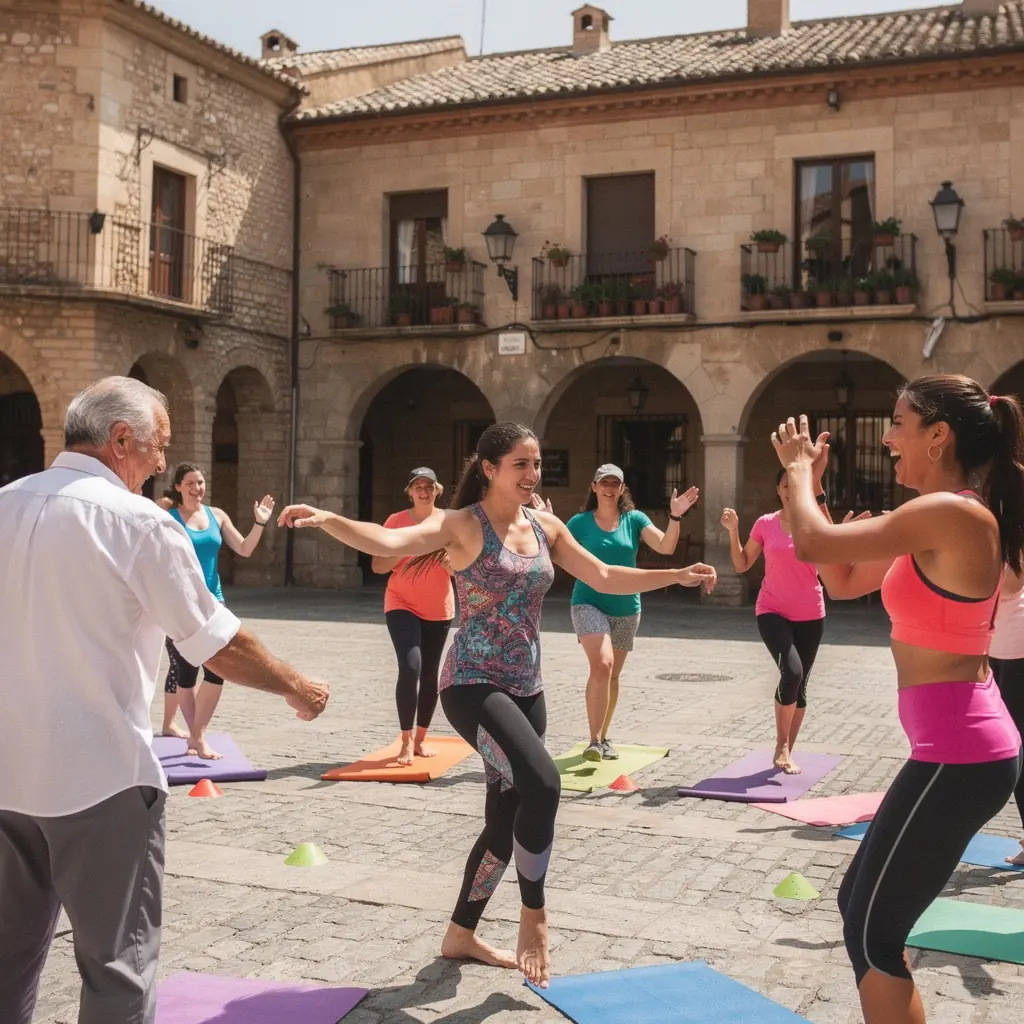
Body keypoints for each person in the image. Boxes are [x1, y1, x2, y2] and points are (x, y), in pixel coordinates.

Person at [277, 421, 717, 990]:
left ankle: (461, 932)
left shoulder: (546, 524)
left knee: (503, 824)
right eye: (521, 465)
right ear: (489, 469)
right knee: (544, 784)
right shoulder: (463, 525)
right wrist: (327, 519)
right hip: (470, 683)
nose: (533, 475)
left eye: (536, 465)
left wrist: (675, 574)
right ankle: (534, 915)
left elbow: (604, 574)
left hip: (526, 688)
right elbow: (387, 544)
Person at [0, 376, 329, 1024]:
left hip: (6, 777)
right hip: (100, 782)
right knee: (116, 976)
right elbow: (217, 644)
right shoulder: (138, 523)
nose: (160, 464)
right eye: (159, 448)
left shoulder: (5, 503)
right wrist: (295, 683)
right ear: (122, 439)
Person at [771, 376, 1023, 1024]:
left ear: (938, 436)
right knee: (858, 903)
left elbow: (813, 544)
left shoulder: (955, 513)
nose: (886, 438)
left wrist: (799, 472)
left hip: (962, 756)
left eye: (898, 423)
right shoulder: (936, 519)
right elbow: (844, 577)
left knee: (870, 932)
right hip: (954, 752)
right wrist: (814, 492)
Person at [567, 464, 699, 761]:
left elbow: (666, 547)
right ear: (594, 486)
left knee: (612, 674)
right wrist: (544, 520)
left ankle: (602, 736)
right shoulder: (579, 523)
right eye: (604, 483)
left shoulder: (634, 519)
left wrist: (675, 516)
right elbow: (552, 547)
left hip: (627, 606)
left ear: (622, 488)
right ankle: (592, 740)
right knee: (602, 664)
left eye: (615, 483)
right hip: (588, 601)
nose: (610, 488)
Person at [156, 463, 275, 758]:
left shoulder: (216, 515)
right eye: (191, 483)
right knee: (186, 674)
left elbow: (245, 549)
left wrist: (259, 523)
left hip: (214, 604)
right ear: (179, 487)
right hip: (180, 605)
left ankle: (197, 735)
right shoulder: (167, 517)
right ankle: (196, 737)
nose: (198, 488)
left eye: (201, 482)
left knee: (218, 671)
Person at [721, 462, 829, 775]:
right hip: (772, 610)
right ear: (778, 490)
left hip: (811, 614)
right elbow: (742, 563)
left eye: (795, 486)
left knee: (801, 684)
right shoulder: (766, 524)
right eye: (784, 486)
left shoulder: (816, 523)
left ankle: (787, 752)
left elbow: (837, 559)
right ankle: (781, 745)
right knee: (792, 672)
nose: (789, 491)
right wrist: (732, 532)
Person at [372, 467, 454, 766]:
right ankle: (405, 741)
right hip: (401, 601)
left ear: (437, 490)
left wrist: (451, 559)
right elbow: (378, 566)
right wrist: (406, 547)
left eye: (429, 486)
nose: (424, 491)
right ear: (409, 491)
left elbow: (461, 566)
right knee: (411, 666)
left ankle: (421, 739)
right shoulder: (396, 522)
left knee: (430, 672)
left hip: (438, 608)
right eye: (418, 486)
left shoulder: (447, 522)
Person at [989, 569, 1024, 866]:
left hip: (1017, 648)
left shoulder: (1013, 529)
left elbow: (1012, 585)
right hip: (997, 646)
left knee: (1018, 749)